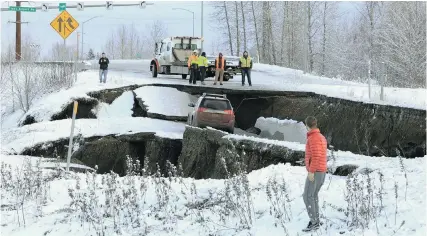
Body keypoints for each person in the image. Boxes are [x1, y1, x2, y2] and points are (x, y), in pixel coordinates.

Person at [302, 116, 327, 232]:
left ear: (307, 126)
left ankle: (314, 222)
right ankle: (316, 220)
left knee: (307, 196)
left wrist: (311, 172)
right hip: (321, 171)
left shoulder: (313, 138)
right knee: (313, 195)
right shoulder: (321, 137)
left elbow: (316, 156)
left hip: (316, 172)